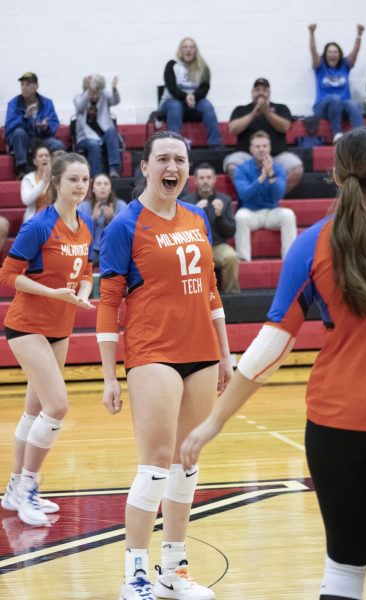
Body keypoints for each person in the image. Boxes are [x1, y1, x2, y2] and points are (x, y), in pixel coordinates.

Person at [181, 127, 366, 600]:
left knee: (343, 568)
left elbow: (269, 350)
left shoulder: (314, 242)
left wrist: (214, 422)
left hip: (335, 425)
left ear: (337, 176)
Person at [96, 131, 232, 600]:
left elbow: (211, 289)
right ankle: (134, 573)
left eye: (179, 159)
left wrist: (225, 354)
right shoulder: (124, 225)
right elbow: (108, 301)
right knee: (154, 466)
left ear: (187, 170)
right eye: (163, 159)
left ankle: (173, 569)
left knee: (185, 463)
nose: (171, 166)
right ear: (146, 167)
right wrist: (110, 374)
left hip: (201, 351)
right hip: (152, 351)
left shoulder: (197, 218)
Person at [0, 152, 95, 527]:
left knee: (34, 412)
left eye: (84, 179)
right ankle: (28, 488)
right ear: (56, 182)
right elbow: (8, 275)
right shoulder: (39, 226)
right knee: (57, 406)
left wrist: (84, 291)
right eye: (73, 179)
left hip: (61, 327)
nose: (81, 186)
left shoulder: (85, 225)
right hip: (27, 325)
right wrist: (54, 293)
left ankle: (12, 490)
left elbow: (85, 269)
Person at [223, 77, 304, 194]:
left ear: (269, 93)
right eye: (257, 90)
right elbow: (233, 129)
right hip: (248, 157)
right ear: (252, 93)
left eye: (264, 90)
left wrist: (267, 112)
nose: (260, 93)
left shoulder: (281, 108)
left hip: (276, 157)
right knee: (231, 165)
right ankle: (251, 195)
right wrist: (253, 113)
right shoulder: (241, 109)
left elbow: (285, 127)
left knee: (297, 168)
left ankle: (274, 196)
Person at [233, 130, 296, 261]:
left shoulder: (278, 168)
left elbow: (278, 195)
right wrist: (261, 178)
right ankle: (244, 260)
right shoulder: (241, 169)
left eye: (264, 146)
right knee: (240, 217)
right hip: (251, 212)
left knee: (288, 215)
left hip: (271, 212)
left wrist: (271, 174)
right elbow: (244, 195)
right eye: (257, 146)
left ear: (269, 148)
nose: (261, 149)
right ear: (251, 149)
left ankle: (289, 259)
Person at [183, 162, 240, 294]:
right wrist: (195, 213)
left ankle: (232, 295)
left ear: (214, 180)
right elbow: (181, 231)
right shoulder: (187, 202)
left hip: (217, 246)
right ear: (195, 181)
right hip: (194, 247)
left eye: (209, 178)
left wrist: (220, 217)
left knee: (231, 256)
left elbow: (231, 232)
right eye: (202, 178)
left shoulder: (224, 200)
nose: (205, 181)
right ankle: (192, 298)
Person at [159, 37, 222, 147]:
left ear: (195, 50)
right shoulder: (172, 65)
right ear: (180, 50)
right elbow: (172, 88)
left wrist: (193, 96)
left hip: (194, 102)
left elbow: (204, 88)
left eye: (191, 47)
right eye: (185, 47)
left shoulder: (203, 67)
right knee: (175, 106)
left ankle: (215, 145)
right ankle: (175, 146)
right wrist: (186, 97)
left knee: (207, 106)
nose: (188, 50)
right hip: (171, 102)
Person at [308, 23, 364, 143]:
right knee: (335, 98)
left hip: (342, 108)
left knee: (354, 104)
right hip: (322, 108)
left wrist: (359, 35)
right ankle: (337, 134)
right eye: (330, 52)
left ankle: (360, 137)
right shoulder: (320, 66)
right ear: (325, 54)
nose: (333, 54)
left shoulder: (345, 65)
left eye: (335, 52)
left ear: (339, 55)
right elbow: (313, 51)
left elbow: (355, 52)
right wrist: (312, 33)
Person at [5, 72, 64, 179]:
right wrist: (25, 118)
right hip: (25, 139)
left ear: (36, 86)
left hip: (42, 138)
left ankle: (56, 173)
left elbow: (54, 122)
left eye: (28, 84)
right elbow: (10, 127)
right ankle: (22, 169)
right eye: (22, 85)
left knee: (58, 145)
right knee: (18, 133)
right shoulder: (13, 104)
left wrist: (45, 126)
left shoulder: (47, 103)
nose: (24, 88)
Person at [73, 74, 121, 178]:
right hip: (85, 138)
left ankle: (114, 169)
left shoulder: (104, 95)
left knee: (112, 130)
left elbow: (116, 101)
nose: (95, 96)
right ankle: (97, 176)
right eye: (92, 93)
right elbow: (80, 107)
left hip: (102, 135)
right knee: (93, 144)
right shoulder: (78, 98)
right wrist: (89, 91)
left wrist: (114, 89)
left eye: (97, 93)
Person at [79, 173, 127, 267]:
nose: (102, 187)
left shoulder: (121, 205)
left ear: (110, 189)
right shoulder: (83, 207)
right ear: (92, 189)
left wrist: (112, 219)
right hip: (91, 250)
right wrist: (92, 220)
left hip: (114, 249)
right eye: (99, 184)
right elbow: (77, 234)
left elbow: (126, 233)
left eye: (106, 184)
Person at [20, 142, 52, 223]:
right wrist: (44, 182)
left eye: (47, 155)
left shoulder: (58, 178)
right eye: (41, 156)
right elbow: (26, 200)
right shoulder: (28, 179)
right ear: (35, 161)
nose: (44, 158)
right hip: (34, 220)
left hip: (54, 220)